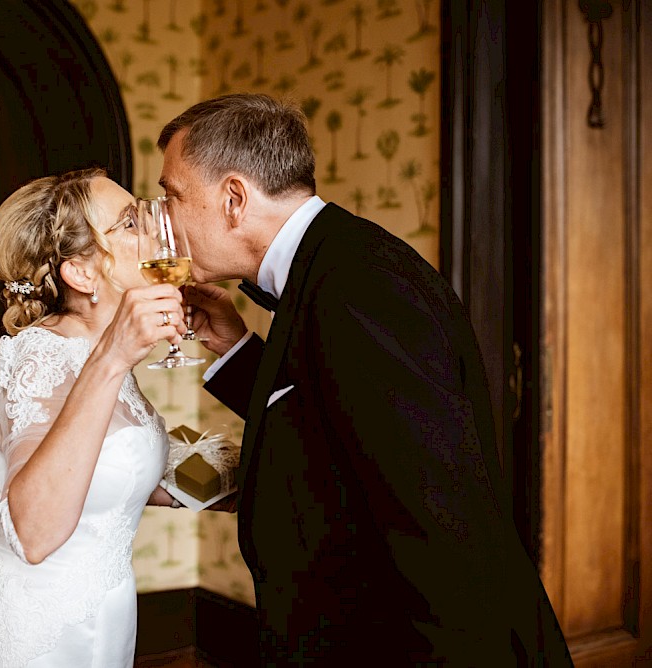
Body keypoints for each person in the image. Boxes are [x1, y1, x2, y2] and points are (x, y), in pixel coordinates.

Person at [159, 94, 574, 665]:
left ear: (233, 198)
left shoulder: (360, 282)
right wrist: (234, 348)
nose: (164, 215)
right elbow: (325, 422)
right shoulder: (331, 266)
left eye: (172, 195)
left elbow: (434, 517)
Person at [0, 168, 184, 667]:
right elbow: (34, 533)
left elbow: (95, 474)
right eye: (130, 222)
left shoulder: (99, 348)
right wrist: (112, 360)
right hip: (37, 631)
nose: (153, 229)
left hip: (102, 616)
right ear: (81, 273)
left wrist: (213, 483)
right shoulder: (41, 355)